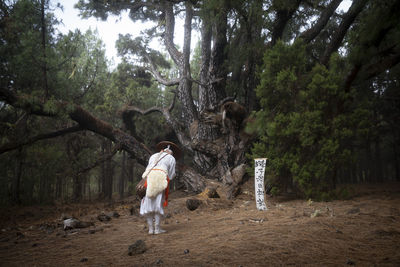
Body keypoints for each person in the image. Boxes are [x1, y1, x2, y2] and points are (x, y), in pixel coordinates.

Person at [140, 141, 181, 235]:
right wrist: (168, 178)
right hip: (160, 179)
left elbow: (148, 167)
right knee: (158, 204)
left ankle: (151, 229)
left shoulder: (153, 156)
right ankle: (157, 229)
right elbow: (171, 174)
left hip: (148, 178)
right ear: (170, 153)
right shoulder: (171, 158)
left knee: (147, 203)